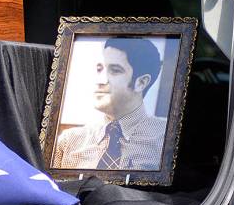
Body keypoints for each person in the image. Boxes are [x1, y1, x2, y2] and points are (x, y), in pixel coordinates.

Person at [52, 37, 167, 170]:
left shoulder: (166, 139)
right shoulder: (68, 142)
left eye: (115, 70)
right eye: (100, 69)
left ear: (141, 83)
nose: (101, 80)